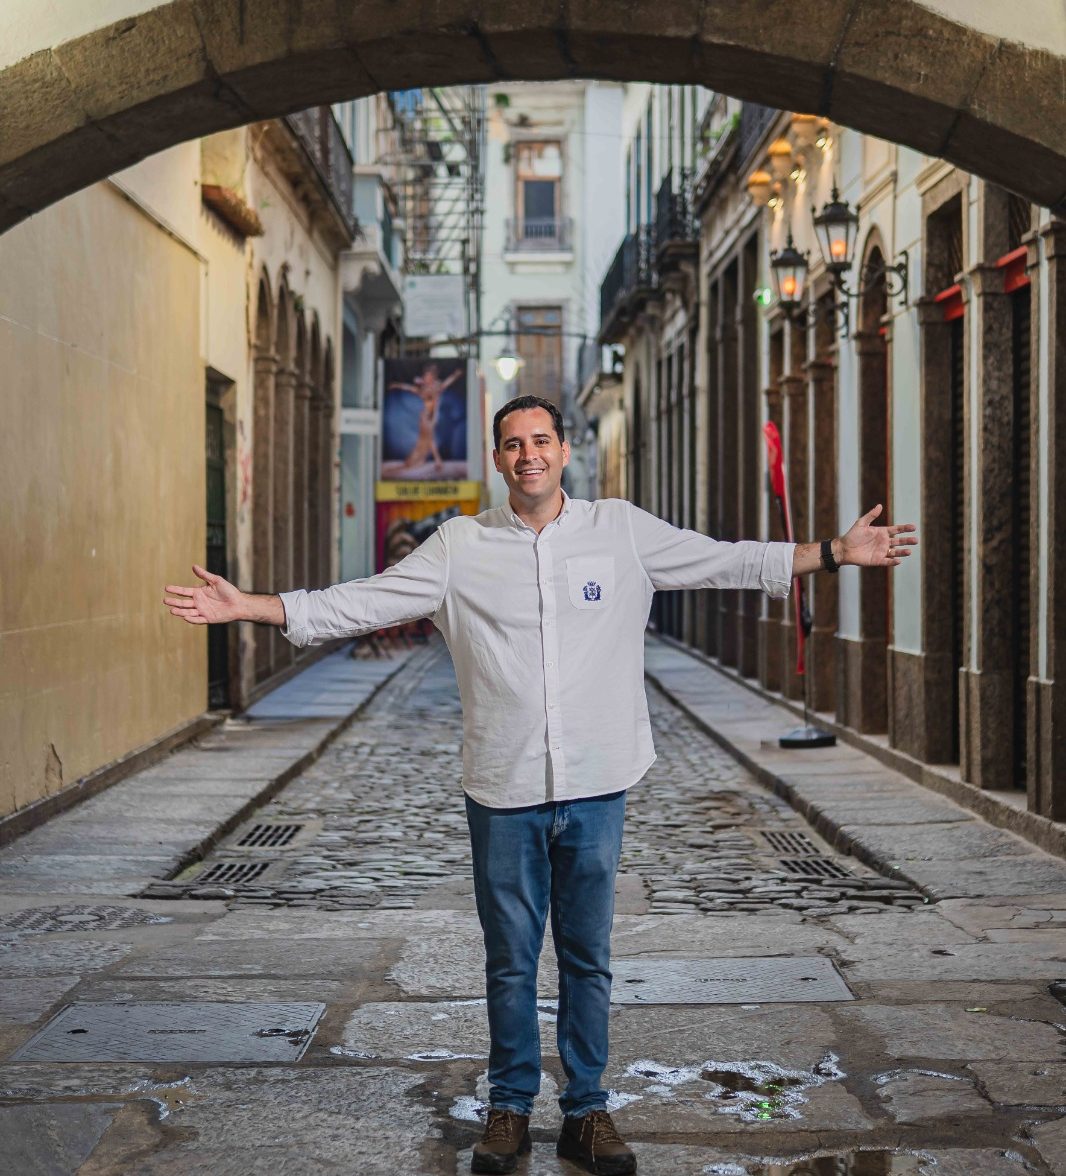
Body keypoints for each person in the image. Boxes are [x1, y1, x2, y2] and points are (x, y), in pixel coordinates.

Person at [164, 394, 917, 1176]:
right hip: (504, 787)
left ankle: (587, 1111)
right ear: (497, 459)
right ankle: (510, 1109)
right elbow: (361, 601)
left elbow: (724, 559)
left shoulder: (620, 530)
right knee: (510, 961)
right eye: (514, 443)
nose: (529, 454)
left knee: (588, 958)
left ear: (563, 451)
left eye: (542, 440)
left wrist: (832, 552)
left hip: (596, 784)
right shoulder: (459, 546)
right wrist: (250, 606)